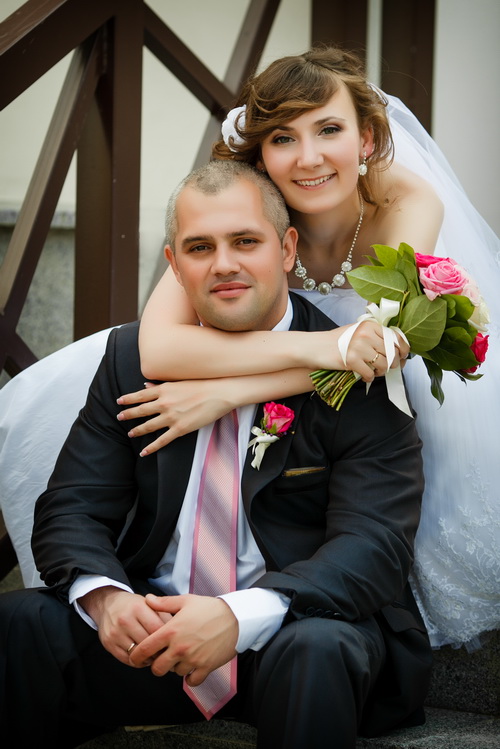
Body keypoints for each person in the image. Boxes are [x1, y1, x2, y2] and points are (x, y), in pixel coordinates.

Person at [0, 161, 431, 749]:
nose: (223, 263)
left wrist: (238, 615)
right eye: (200, 247)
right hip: (154, 636)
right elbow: (71, 506)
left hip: (289, 630)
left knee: (321, 647)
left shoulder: (358, 369)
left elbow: (374, 544)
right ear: (175, 265)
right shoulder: (130, 360)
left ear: (287, 249)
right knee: (19, 622)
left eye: (245, 241)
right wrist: (106, 598)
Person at [119, 47, 500, 651]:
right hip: (300, 370)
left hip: (378, 401)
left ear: (366, 138)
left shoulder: (409, 203)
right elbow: (159, 348)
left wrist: (226, 393)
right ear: (260, 153)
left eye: (329, 130)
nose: (309, 158)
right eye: (283, 138)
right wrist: (329, 345)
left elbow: (380, 355)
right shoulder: (242, 209)